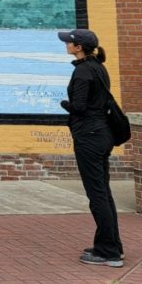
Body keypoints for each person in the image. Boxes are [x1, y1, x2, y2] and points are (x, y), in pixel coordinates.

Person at [57, 28, 124, 267]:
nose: (67, 45)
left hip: (89, 137)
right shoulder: (98, 66)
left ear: (79, 47)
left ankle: (108, 252)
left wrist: (64, 103)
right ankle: (112, 245)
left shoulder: (84, 72)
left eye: (70, 43)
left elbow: (80, 107)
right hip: (102, 134)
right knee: (103, 192)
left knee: (96, 195)